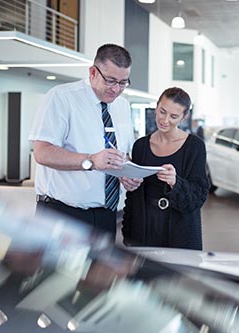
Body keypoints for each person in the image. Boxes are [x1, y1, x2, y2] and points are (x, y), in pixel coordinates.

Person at [29, 43, 143, 237]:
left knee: (100, 268)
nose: (116, 89)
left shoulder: (122, 106)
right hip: (63, 214)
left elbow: (123, 153)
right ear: (92, 72)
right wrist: (91, 160)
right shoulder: (61, 97)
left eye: (123, 82)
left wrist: (128, 172)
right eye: (110, 80)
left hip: (107, 215)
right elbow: (42, 152)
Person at [121, 87, 209, 250]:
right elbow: (133, 197)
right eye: (162, 111)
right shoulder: (141, 145)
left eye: (174, 116)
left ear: (184, 117)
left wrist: (176, 182)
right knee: (144, 274)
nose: (165, 120)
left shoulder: (194, 147)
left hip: (181, 229)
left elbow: (199, 195)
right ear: (156, 107)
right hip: (145, 228)